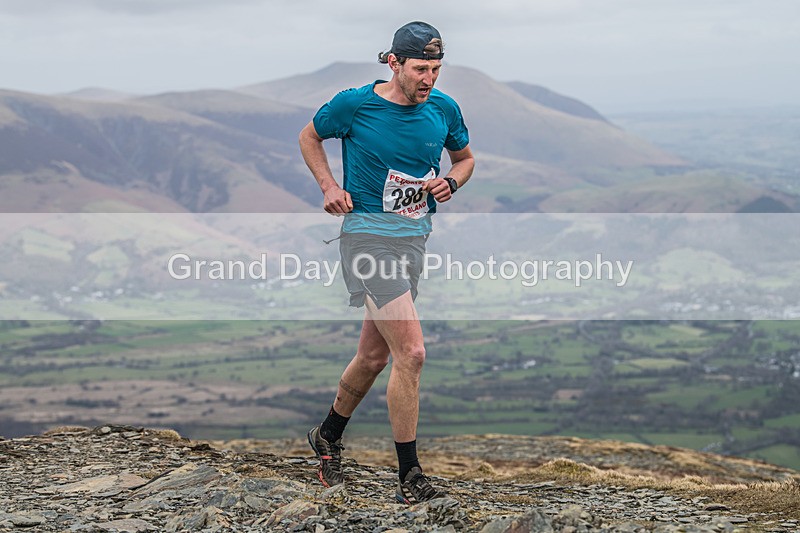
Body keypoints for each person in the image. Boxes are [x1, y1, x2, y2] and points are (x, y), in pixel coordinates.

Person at [298, 20, 474, 504]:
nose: (430, 79)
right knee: (412, 353)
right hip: (366, 241)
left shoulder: (443, 108)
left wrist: (451, 183)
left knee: (375, 356)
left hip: (412, 241)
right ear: (393, 63)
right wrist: (330, 188)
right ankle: (410, 476)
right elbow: (310, 137)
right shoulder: (355, 104)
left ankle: (327, 436)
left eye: (437, 69)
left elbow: (464, 159)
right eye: (421, 68)